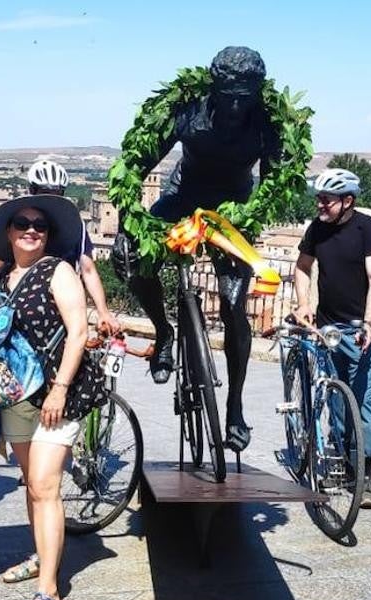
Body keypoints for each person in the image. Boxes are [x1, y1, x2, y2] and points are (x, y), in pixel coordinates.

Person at [111, 46, 282, 451]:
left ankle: (235, 405)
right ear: (214, 87)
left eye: (246, 97)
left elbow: (276, 181)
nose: (238, 105)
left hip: (234, 209)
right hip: (182, 194)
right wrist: (125, 227)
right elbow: (135, 165)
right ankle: (164, 331)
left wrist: (251, 218)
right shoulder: (188, 111)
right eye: (229, 96)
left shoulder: (267, 123)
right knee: (135, 262)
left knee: (233, 300)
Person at [0, 194, 106, 600]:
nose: (31, 230)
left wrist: (59, 389)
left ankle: (50, 590)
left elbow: (78, 332)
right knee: (32, 487)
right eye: (23, 223)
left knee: (44, 484)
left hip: (59, 394)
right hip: (15, 395)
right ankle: (41, 555)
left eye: (40, 225)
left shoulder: (57, 270)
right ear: (9, 230)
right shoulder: (0, 277)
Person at [292, 168, 371, 508]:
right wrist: (304, 303)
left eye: (327, 200)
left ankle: (366, 476)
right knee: (335, 400)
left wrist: (368, 322)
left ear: (348, 201)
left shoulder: (368, 229)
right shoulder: (316, 230)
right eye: (318, 198)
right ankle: (346, 466)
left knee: (363, 403)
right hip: (328, 328)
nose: (320, 204)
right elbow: (303, 267)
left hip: (362, 329)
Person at [24, 160, 121, 334]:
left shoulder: (74, 224)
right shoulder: (20, 224)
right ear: (32, 191)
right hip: (26, 302)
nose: (51, 200)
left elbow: (88, 269)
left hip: (65, 304)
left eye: (56, 194)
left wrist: (103, 311)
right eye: (44, 193)